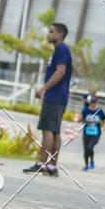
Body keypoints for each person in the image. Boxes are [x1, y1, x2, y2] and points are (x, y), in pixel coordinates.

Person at [23, 22, 72, 177]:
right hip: (58, 96)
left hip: (55, 96)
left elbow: (60, 72)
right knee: (55, 130)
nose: (48, 35)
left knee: (48, 129)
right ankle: (52, 166)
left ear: (60, 34)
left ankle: (41, 163)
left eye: (51, 32)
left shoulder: (61, 49)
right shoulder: (60, 50)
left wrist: (44, 89)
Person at [80, 94, 105, 170]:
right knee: (86, 149)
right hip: (86, 132)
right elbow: (81, 117)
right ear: (90, 102)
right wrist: (78, 119)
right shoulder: (85, 110)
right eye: (92, 102)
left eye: (95, 102)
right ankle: (86, 164)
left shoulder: (100, 111)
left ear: (97, 103)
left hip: (96, 133)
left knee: (90, 147)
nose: (93, 104)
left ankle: (91, 160)